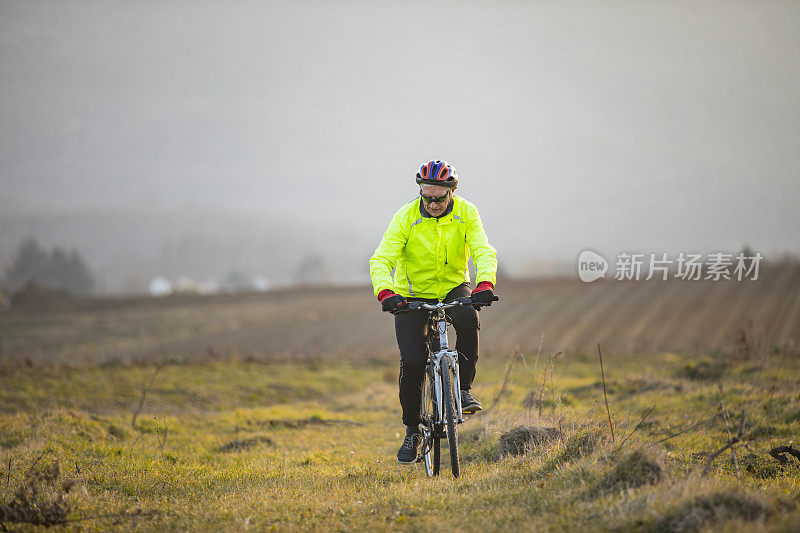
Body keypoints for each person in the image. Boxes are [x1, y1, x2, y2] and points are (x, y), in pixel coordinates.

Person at [369, 160, 498, 464]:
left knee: (468, 319)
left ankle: (464, 390)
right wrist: (386, 293)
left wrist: (484, 283)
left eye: (439, 197)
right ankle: (412, 430)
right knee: (413, 360)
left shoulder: (467, 213)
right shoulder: (405, 216)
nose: (433, 203)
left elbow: (482, 249)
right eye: (427, 197)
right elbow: (381, 259)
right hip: (411, 295)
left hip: (453, 286)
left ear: (453, 191)